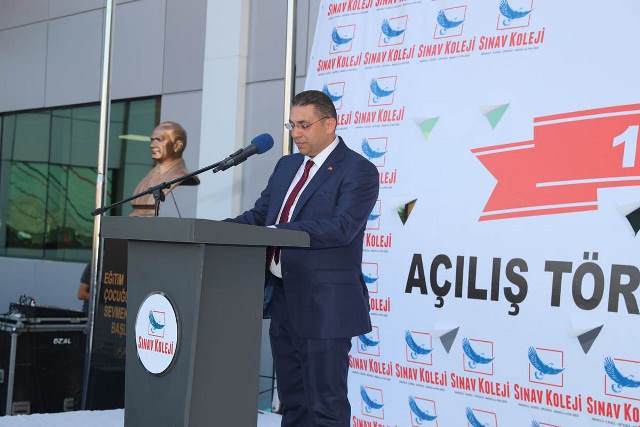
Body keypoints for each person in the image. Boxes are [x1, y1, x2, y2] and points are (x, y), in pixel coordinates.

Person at [228, 90, 379, 426]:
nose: (296, 133)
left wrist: (278, 231)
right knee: (293, 402)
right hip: (283, 298)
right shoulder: (287, 166)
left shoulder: (358, 170)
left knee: (325, 406)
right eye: (291, 125)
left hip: (325, 304)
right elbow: (261, 215)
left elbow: (342, 227)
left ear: (330, 124)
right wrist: (215, 230)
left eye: (304, 125)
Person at [130, 121, 192, 216]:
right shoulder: (151, 174)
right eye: (152, 140)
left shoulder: (180, 175)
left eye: (159, 140)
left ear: (177, 145)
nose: (152, 145)